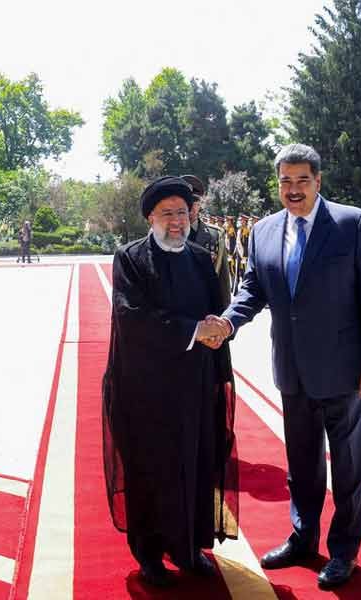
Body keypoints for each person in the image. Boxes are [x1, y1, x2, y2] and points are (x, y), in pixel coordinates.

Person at [214, 143, 361, 590]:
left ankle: (344, 551)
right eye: (285, 181)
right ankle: (303, 536)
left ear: (318, 181)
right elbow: (252, 287)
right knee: (302, 464)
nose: (293, 190)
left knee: (348, 468)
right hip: (292, 370)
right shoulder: (265, 231)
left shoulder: (352, 224)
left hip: (344, 371)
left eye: (302, 180)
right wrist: (228, 322)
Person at [102, 176, 239, 588]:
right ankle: (150, 554)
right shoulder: (130, 258)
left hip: (194, 388)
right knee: (151, 470)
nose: (177, 221)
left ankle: (189, 547)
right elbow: (131, 317)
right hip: (145, 391)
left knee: (196, 463)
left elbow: (219, 310)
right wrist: (194, 330)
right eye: (168, 214)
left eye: (183, 212)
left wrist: (220, 329)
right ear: (150, 217)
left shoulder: (200, 258)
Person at [183, 174, 231, 307]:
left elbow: (223, 281)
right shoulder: (165, 235)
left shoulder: (216, 235)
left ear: (200, 205)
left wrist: (226, 319)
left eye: (195, 202)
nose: (190, 207)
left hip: (207, 312)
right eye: (186, 202)